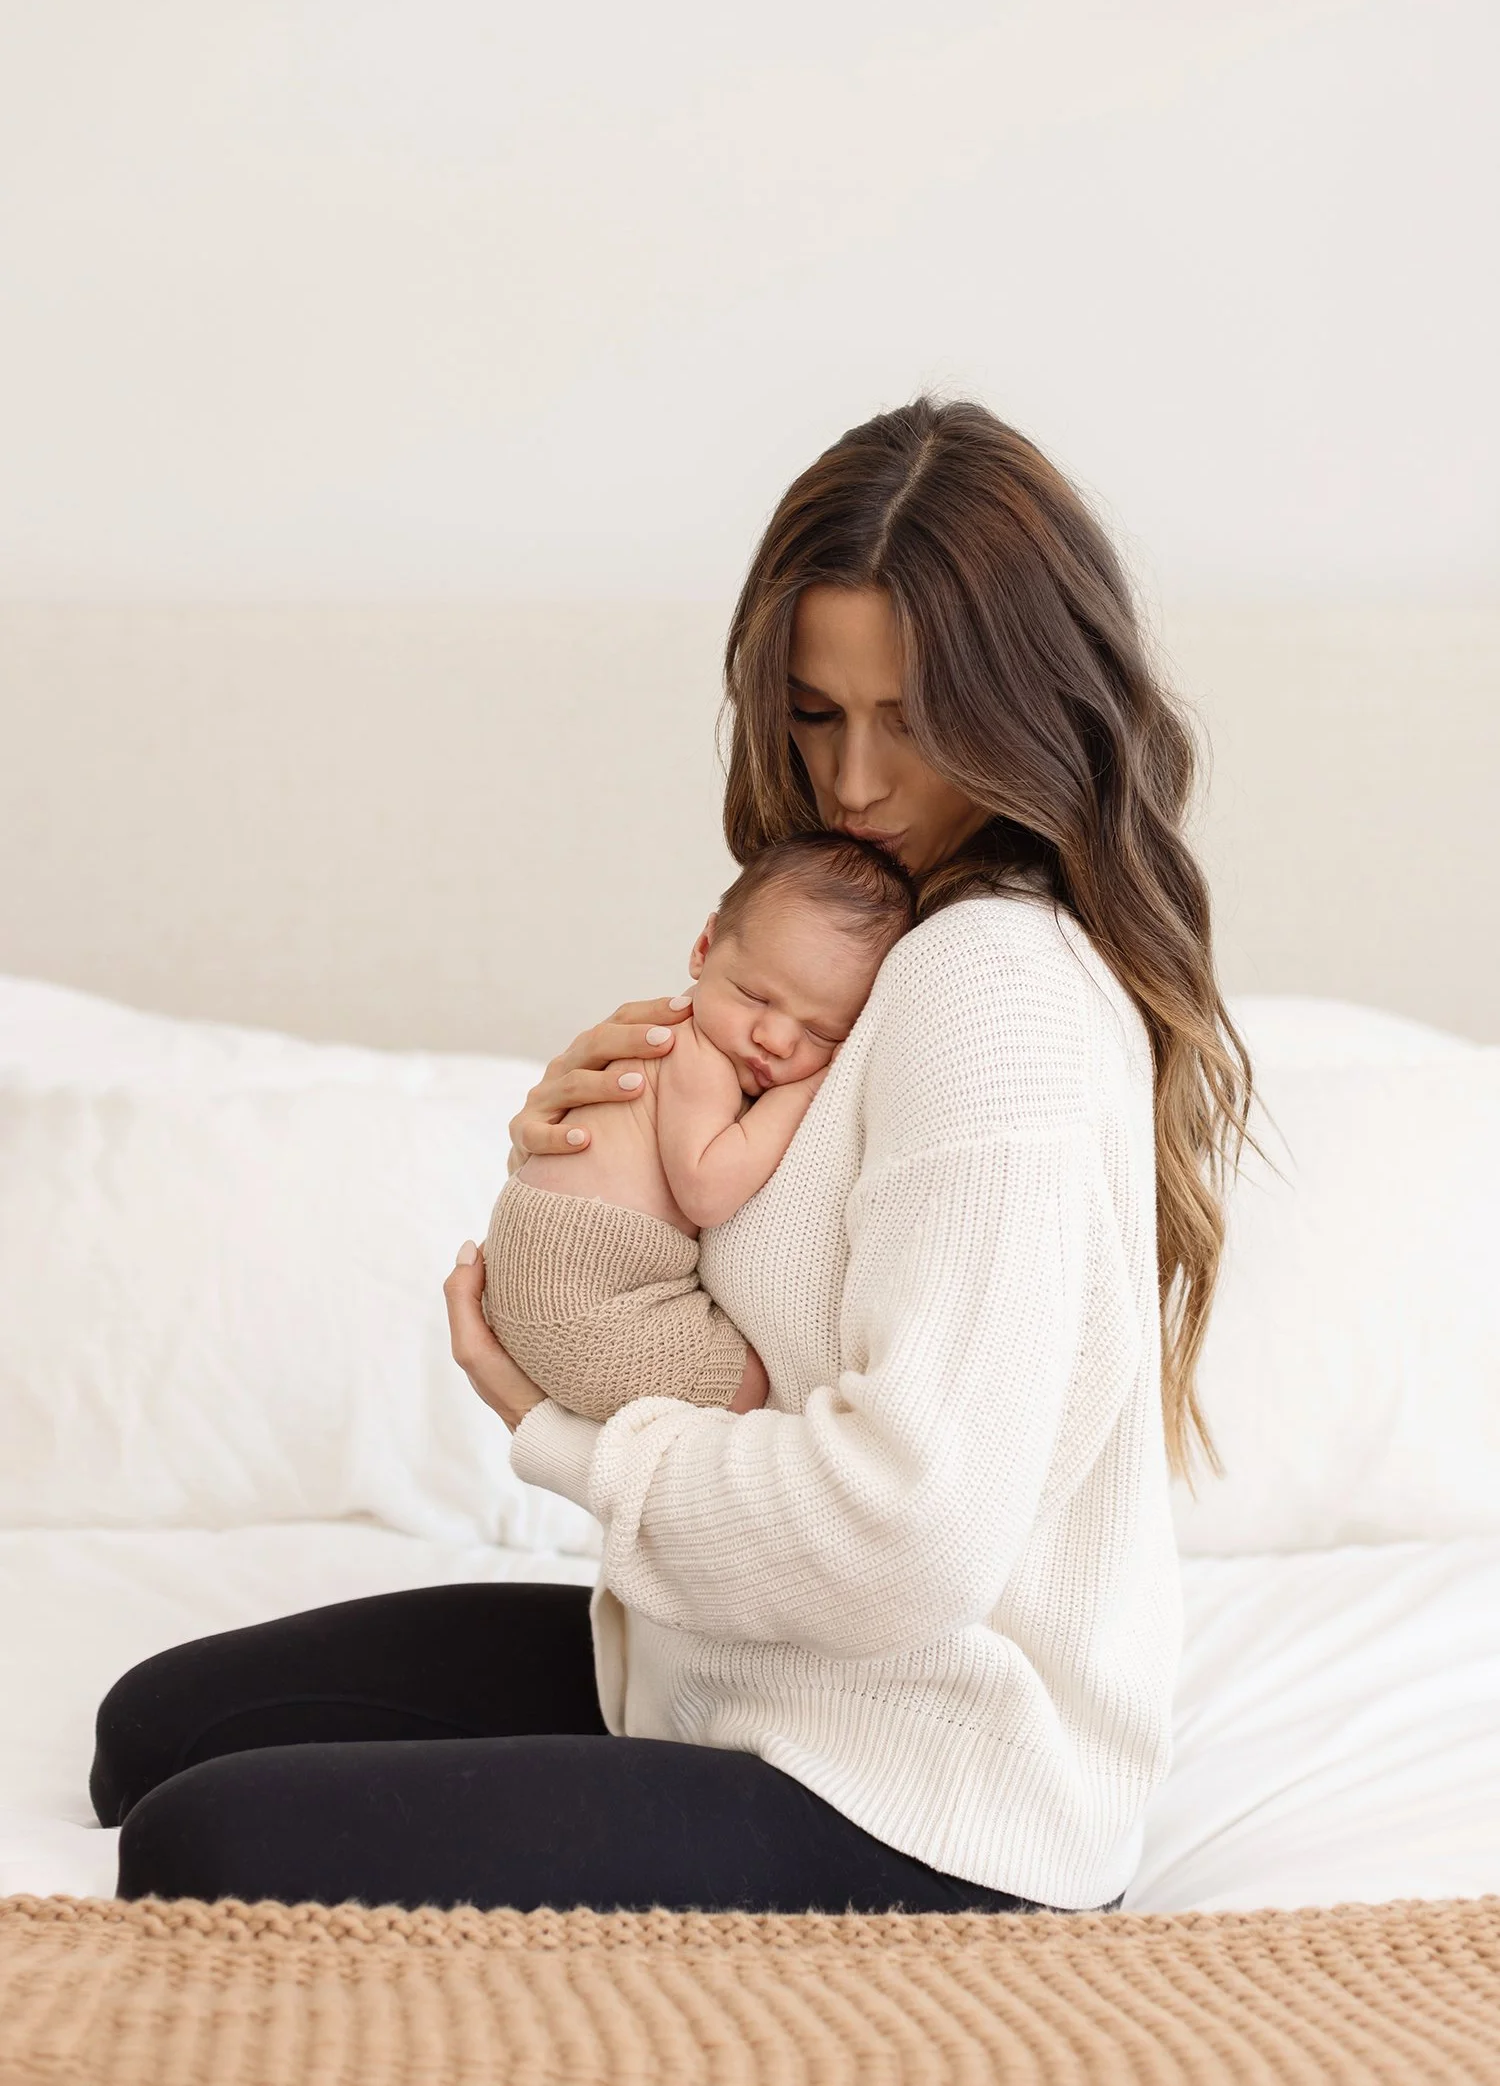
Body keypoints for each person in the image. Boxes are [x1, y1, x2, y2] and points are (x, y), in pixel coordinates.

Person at [91, 396, 1253, 1917]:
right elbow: (788, 1273)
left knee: (201, 1846)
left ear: (1030, 706)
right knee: (152, 1733)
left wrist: (559, 1430)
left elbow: (911, 1531)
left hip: (925, 1787)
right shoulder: (877, 949)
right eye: (817, 712)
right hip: (728, 1669)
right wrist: (604, 1176)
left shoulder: (997, 991)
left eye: (911, 721)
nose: (851, 783)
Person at [483, 830, 917, 1423]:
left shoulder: (694, 1042)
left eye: (822, 1033)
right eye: (754, 996)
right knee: (756, 1389)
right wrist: (807, 1090)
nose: (777, 1038)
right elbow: (707, 1190)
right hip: (583, 1298)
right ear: (704, 947)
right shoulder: (695, 1054)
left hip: (548, 1281)